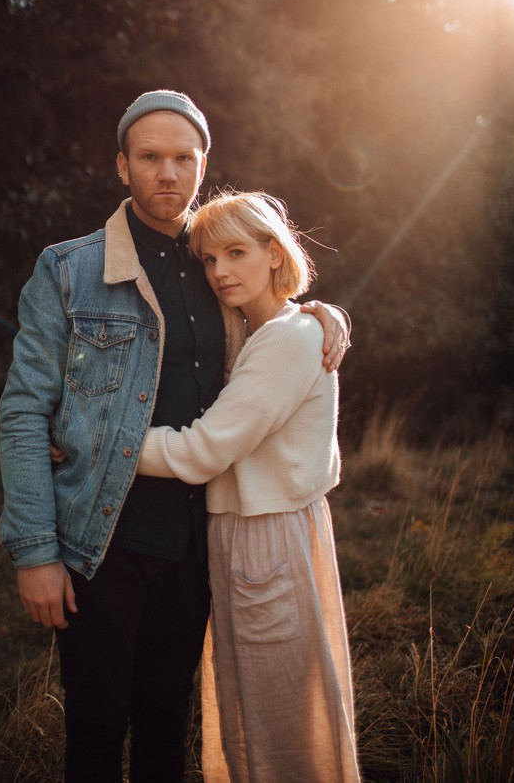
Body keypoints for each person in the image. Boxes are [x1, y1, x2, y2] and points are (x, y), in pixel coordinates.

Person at [0, 90, 350, 783]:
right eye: (150, 157)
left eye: (183, 158)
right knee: (96, 727)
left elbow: (277, 319)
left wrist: (322, 311)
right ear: (121, 166)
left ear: (202, 164)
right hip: (100, 544)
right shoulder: (69, 270)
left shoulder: (218, 261)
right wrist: (34, 551)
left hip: (197, 544)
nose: (168, 173)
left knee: (168, 725)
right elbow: (22, 414)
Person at [136, 189, 361, 783]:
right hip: (254, 532)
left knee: (278, 722)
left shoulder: (286, 339)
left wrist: (107, 446)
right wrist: (324, 310)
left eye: (236, 253)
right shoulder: (259, 329)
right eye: (209, 260)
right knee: (252, 715)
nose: (220, 272)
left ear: (274, 252)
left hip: (268, 538)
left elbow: (203, 449)